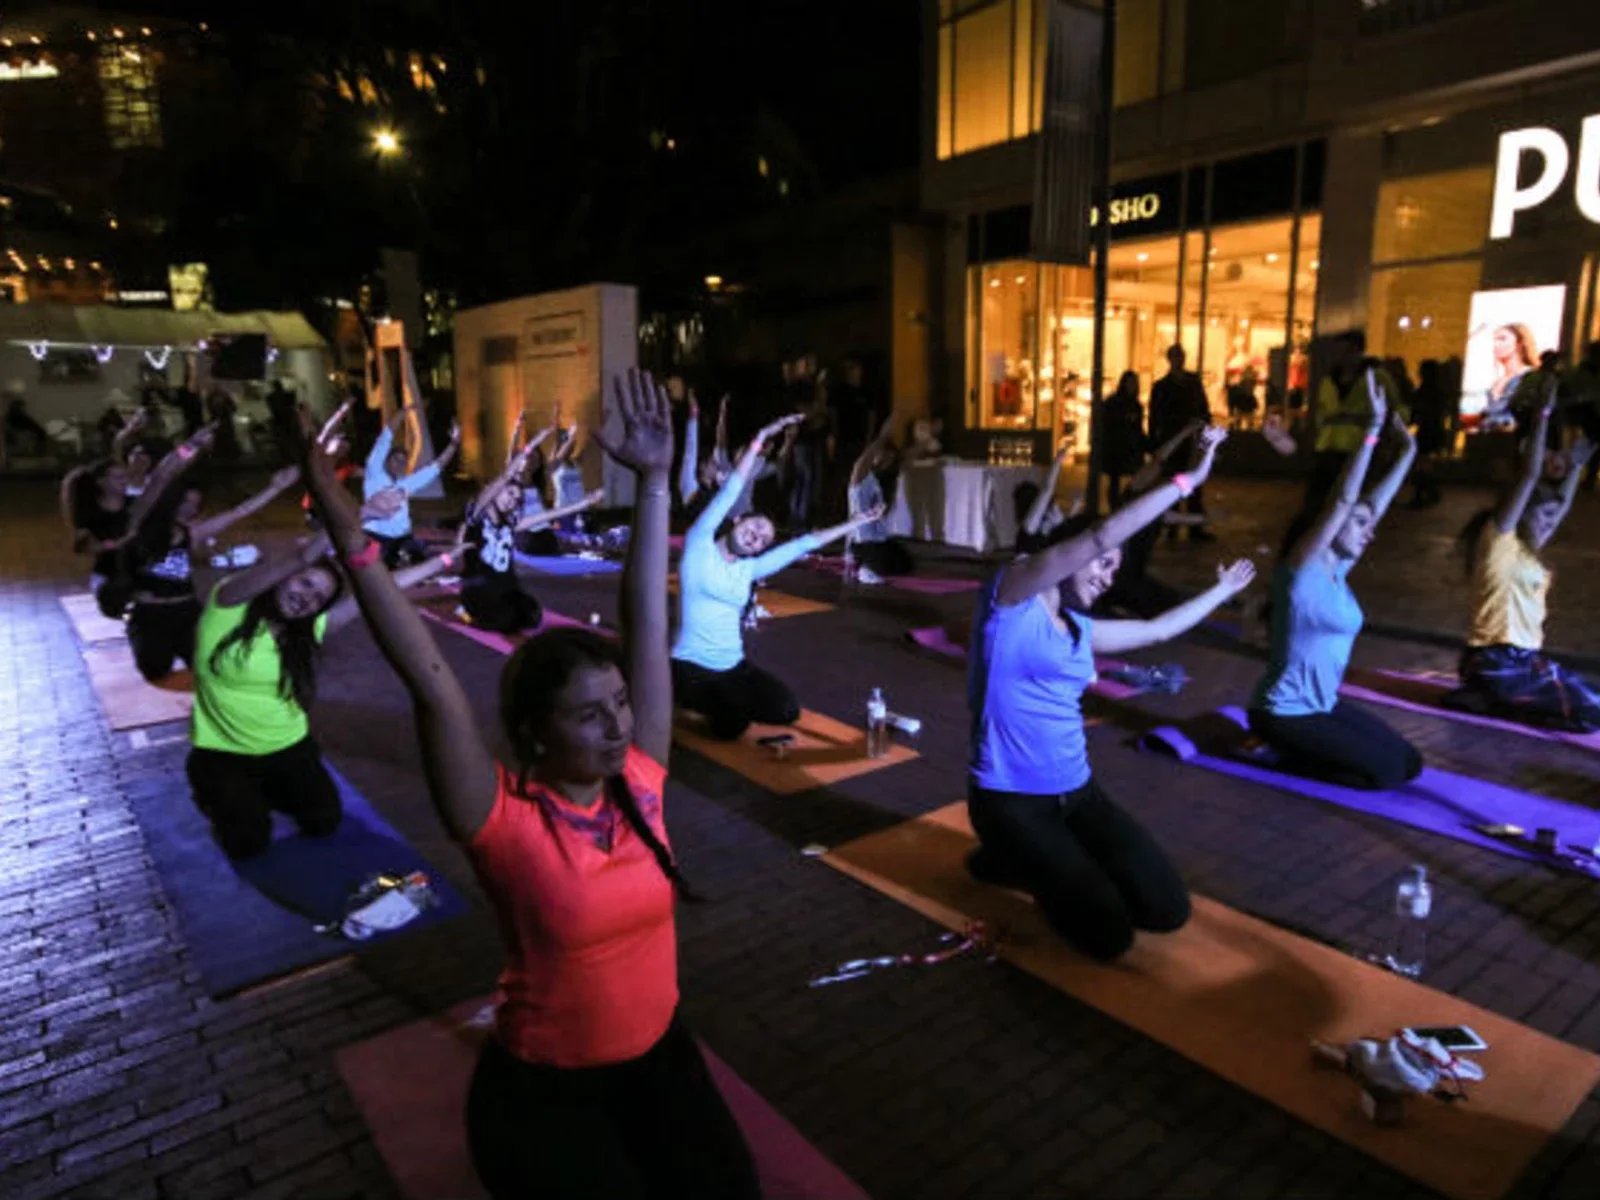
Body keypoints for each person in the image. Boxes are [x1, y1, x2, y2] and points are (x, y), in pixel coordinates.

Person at [305, 369, 761, 1200]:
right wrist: (352, 543)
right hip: (545, 1087)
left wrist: (656, 481)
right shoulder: (502, 819)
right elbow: (431, 681)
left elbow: (645, 632)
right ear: (536, 735)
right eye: (590, 718)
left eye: (620, 706)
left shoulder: (642, 782)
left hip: (658, 1055)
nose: (620, 726)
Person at [966, 426, 1254, 961]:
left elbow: (1157, 631)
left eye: (1115, 571)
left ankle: (1032, 861)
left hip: (1078, 794)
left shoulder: (1081, 630)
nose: (1107, 576)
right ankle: (1007, 855)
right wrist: (1188, 478)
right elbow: (1100, 536)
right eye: (1102, 565)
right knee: (1109, 936)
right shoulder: (1012, 598)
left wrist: (1222, 590)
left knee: (1167, 911)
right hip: (1010, 801)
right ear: (1070, 556)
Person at [1249, 379, 1421, 790]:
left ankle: (1300, 749)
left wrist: (1408, 452)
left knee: (1411, 762)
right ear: (1328, 526)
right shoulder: (1300, 573)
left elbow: (1369, 505)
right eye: (1360, 525)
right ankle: (1278, 755)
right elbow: (1344, 502)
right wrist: (1372, 432)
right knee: (1383, 774)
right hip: (1282, 713)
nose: (1369, 531)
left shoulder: (1337, 571)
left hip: (1322, 706)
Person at [673, 413, 883, 740]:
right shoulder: (700, 543)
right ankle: (684, 700)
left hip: (733, 666)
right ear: (739, 520)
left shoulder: (749, 569)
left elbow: (803, 545)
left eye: (763, 540)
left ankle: (724, 707)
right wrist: (760, 437)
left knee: (785, 710)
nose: (757, 538)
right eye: (755, 528)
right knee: (727, 722)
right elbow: (732, 490)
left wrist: (856, 522)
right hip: (690, 668)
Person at [1447, 396, 1600, 731]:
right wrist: (1542, 414)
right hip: (1492, 659)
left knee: (1593, 699)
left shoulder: (1531, 549)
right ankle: (1489, 697)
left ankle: (1487, 698)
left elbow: (1562, 502)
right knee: (1590, 713)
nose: (1550, 522)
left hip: (1525, 660)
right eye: (1543, 515)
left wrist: (1579, 462)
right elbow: (1529, 476)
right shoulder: (1498, 540)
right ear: (1522, 511)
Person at [124, 454, 303, 683]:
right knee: (155, 670)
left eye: (195, 505)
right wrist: (183, 453)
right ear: (170, 500)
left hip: (186, 611)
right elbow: (151, 482)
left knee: (207, 666)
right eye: (185, 502)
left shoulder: (192, 533)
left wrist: (275, 488)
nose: (190, 510)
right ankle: (141, 639)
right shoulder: (138, 527)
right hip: (148, 615)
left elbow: (239, 512)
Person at [460, 440, 604, 634]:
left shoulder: (511, 523)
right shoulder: (477, 516)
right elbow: (504, 477)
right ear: (495, 491)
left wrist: (584, 503)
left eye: (516, 499)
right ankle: (468, 611)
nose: (511, 501)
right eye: (508, 493)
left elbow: (547, 515)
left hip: (505, 589)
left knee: (532, 615)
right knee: (504, 621)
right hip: (480, 590)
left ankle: (500, 611)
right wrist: (533, 443)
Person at [362, 401, 460, 567]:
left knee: (421, 561)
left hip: (402, 538)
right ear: (386, 460)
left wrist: (454, 443)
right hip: (376, 536)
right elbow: (385, 437)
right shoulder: (375, 472)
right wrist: (404, 411)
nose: (400, 464)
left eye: (403, 461)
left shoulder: (406, 483)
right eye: (396, 459)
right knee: (381, 567)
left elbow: (435, 468)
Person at [1148, 346, 1213, 542]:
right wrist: (1154, 442)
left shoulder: (1192, 382)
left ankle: (1194, 528)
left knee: (1193, 481)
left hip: (1190, 440)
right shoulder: (1162, 386)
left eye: (1181, 356)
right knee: (1173, 481)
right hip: (1172, 440)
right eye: (1176, 357)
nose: (1179, 360)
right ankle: (1173, 527)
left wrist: (1205, 430)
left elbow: (1203, 408)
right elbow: (1155, 416)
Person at [846, 417, 912, 582]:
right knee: (884, 564)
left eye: (890, 459)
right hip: (863, 542)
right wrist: (884, 436)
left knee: (904, 564)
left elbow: (905, 457)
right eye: (884, 456)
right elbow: (862, 461)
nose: (886, 461)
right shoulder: (861, 479)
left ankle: (867, 564)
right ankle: (865, 568)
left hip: (879, 540)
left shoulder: (882, 483)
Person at [1014, 445, 1074, 557]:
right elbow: (1047, 490)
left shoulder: (1040, 527)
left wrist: (1074, 509)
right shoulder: (1029, 525)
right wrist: (1058, 461)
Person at [1099, 370, 1146, 509]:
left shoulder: (1136, 405)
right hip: (1118, 447)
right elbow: (1107, 424)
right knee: (1116, 480)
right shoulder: (1114, 403)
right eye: (1129, 383)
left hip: (1129, 447)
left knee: (1126, 480)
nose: (1131, 386)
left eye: (1133, 384)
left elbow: (1137, 428)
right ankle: (1117, 506)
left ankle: (1122, 506)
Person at [1405, 359, 1448, 509]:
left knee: (1421, 465)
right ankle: (1428, 492)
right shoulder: (1438, 393)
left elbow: (1416, 413)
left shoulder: (1423, 392)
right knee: (1425, 465)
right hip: (1434, 430)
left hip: (1426, 431)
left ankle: (1423, 494)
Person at [1482, 323, 1539, 431]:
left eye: (1502, 339)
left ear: (1519, 344)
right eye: (1495, 340)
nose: (1496, 344)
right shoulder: (1497, 382)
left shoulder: (1529, 377)